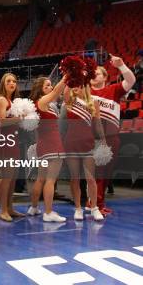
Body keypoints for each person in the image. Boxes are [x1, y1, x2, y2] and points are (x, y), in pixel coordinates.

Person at [89, 55, 135, 215]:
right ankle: (95, 204)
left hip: (112, 137)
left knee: (107, 174)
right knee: (98, 173)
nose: (95, 75)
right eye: (92, 73)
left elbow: (131, 81)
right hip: (93, 139)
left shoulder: (113, 90)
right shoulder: (84, 92)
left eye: (99, 73)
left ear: (106, 77)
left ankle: (98, 202)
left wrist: (121, 65)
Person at [28, 76, 68, 222]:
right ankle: (49, 212)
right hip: (52, 143)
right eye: (47, 86)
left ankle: (33, 207)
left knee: (40, 179)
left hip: (42, 143)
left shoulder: (39, 103)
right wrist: (66, 77)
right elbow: (58, 90)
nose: (50, 88)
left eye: (50, 85)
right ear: (40, 89)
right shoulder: (42, 102)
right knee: (50, 180)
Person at [62, 84, 104, 221]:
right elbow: (65, 89)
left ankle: (94, 207)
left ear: (85, 87)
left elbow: (98, 124)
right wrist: (71, 74)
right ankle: (78, 208)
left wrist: (103, 141)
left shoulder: (93, 103)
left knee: (91, 179)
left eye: (79, 85)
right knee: (75, 178)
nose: (75, 87)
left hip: (88, 143)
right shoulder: (69, 101)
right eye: (74, 85)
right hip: (71, 143)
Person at [0, 73, 25, 222]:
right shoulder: (1, 100)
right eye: (8, 81)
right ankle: (3, 210)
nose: (12, 83)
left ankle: (10, 208)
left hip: (13, 139)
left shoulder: (11, 101)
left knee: (12, 177)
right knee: (6, 177)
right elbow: (1, 122)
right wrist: (20, 119)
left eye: (14, 81)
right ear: (3, 84)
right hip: (5, 141)